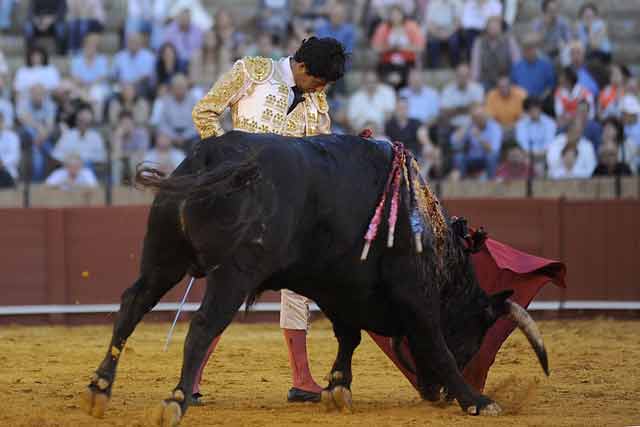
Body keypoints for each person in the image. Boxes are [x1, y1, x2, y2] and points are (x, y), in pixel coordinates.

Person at [191, 37, 347, 404]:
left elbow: (319, 156)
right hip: (244, 203)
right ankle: (192, 376)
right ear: (303, 68)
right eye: (319, 81)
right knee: (228, 286)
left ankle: (302, 378)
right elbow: (205, 112)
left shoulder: (316, 101)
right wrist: (228, 163)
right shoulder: (252, 72)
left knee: (299, 287)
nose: (321, 89)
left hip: (291, 211)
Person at [371, 5, 425, 89]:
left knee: (403, 76)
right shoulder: (383, 27)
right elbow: (376, 48)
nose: (395, 17)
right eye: (393, 15)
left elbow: (420, 47)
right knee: (387, 76)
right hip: (387, 63)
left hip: (407, 62)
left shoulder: (412, 26)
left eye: (397, 14)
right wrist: (390, 47)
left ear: (402, 15)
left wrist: (402, 47)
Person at [16, 84, 57, 182]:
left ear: (44, 95)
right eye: (35, 94)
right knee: (29, 130)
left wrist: (41, 136)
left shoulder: (50, 104)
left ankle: (37, 180)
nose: (38, 96)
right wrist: (39, 128)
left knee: (37, 155)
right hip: (26, 136)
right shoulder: (23, 103)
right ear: (30, 94)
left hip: (42, 138)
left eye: (40, 94)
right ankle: (52, 153)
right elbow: (24, 119)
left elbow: (50, 126)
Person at [450, 104, 502, 178]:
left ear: (486, 116)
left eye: (480, 117)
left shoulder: (494, 127)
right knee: (458, 157)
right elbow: (454, 143)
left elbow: (493, 149)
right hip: (472, 158)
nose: (478, 119)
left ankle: (491, 183)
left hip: (486, 157)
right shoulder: (470, 126)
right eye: (475, 117)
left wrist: (479, 137)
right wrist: (465, 127)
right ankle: (462, 185)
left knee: (492, 157)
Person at [470, 15, 520, 90]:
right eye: (490, 27)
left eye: (495, 27)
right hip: (486, 80)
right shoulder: (479, 42)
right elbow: (475, 64)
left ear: (500, 28)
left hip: (506, 79)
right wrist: (474, 82)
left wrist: (510, 79)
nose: (493, 29)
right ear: (486, 28)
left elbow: (517, 62)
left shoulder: (509, 41)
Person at [152, 74, 199, 151]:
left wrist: (184, 136)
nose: (179, 90)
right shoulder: (166, 101)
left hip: (190, 135)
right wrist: (173, 136)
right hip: (170, 134)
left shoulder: (193, 100)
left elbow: (197, 123)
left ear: (186, 88)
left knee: (199, 145)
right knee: (162, 141)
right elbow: (163, 123)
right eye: (177, 88)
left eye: (182, 87)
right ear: (172, 89)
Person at [52, 104, 106, 169]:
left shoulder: (96, 137)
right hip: (67, 169)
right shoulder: (68, 135)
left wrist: (82, 161)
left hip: (88, 169)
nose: (83, 124)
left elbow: (101, 158)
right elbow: (56, 156)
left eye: (87, 123)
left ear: (90, 123)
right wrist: (70, 161)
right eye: (81, 121)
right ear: (77, 121)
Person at [515, 97, 557, 176]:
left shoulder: (550, 123)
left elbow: (549, 145)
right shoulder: (521, 124)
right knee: (522, 160)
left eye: (536, 108)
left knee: (550, 158)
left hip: (545, 156)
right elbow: (523, 145)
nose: (534, 111)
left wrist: (538, 156)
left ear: (540, 109)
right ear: (526, 111)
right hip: (526, 156)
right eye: (531, 109)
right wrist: (531, 156)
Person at [510, 33, 556, 100]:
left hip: (540, 103)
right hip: (521, 102)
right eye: (525, 49)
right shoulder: (516, 66)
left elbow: (550, 87)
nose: (528, 52)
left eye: (531, 48)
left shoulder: (546, 65)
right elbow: (513, 87)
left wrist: (540, 99)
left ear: (536, 49)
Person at [440, 62, 485, 131]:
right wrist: (467, 108)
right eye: (460, 76)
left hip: (472, 126)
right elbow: (444, 112)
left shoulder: (478, 88)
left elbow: (478, 109)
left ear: (469, 76)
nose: (462, 79)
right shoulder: (448, 90)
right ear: (456, 76)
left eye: (465, 76)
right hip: (452, 126)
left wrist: (455, 110)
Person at [111, 110, 150, 184]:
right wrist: (118, 136)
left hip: (139, 161)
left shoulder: (141, 133)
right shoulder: (117, 134)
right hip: (123, 162)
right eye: (123, 123)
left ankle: (137, 188)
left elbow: (141, 154)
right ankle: (116, 190)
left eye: (128, 123)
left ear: (133, 122)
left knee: (133, 161)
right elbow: (115, 155)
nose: (126, 126)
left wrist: (125, 154)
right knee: (116, 164)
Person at [111, 32, 156, 96]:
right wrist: (121, 82)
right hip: (122, 86)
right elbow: (113, 75)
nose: (133, 44)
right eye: (131, 41)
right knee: (113, 92)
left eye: (135, 41)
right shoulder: (119, 56)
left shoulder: (149, 56)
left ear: (140, 43)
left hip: (139, 87)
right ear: (127, 43)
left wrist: (131, 84)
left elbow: (147, 77)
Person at [424, 0, 463, 68]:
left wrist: (448, 33)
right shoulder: (432, 3)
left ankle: (455, 67)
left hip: (451, 30)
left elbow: (458, 22)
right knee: (432, 42)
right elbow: (429, 23)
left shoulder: (457, 3)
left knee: (454, 42)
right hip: (436, 30)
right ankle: (434, 68)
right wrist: (438, 33)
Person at [0, 110, 19, 187]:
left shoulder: (12, 137)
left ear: (3, 122)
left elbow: (15, 156)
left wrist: (2, 163)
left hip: (9, 172)